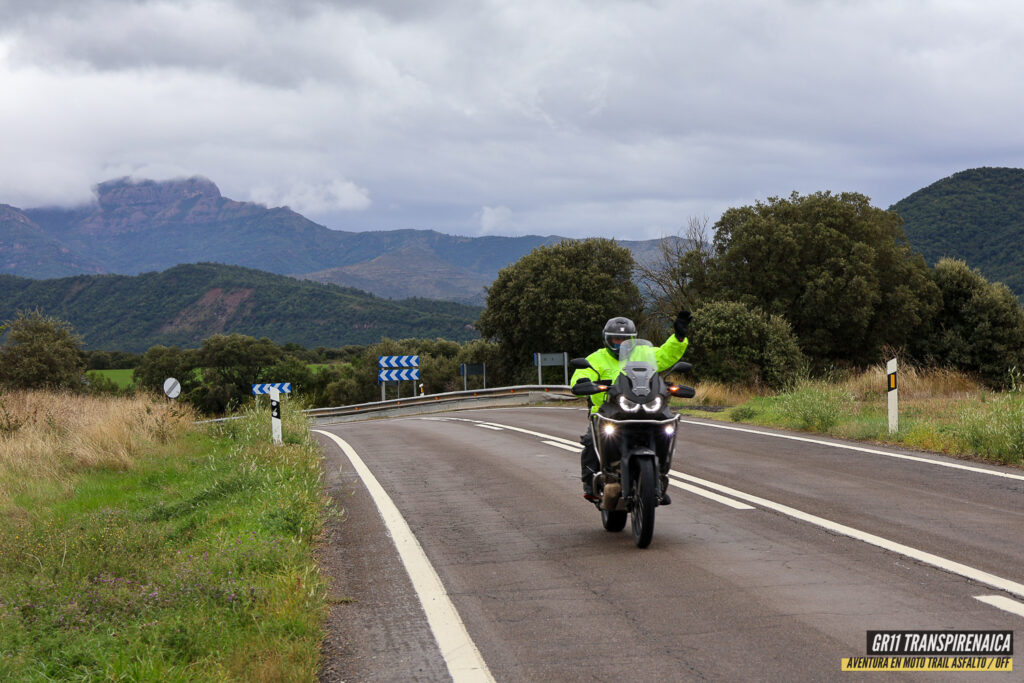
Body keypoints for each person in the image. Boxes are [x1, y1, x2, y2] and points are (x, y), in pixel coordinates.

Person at [570, 310, 691, 504]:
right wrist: (584, 382)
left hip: (645, 406)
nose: (620, 343)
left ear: (633, 339)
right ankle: (589, 484)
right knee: (592, 441)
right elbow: (581, 375)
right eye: (616, 339)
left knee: (665, 430)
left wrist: (679, 337)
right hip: (608, 410)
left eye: (625, 339)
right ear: (607, 339)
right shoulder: (595, 358)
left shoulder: (644, 352)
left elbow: (666, 355)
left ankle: (656, 480)